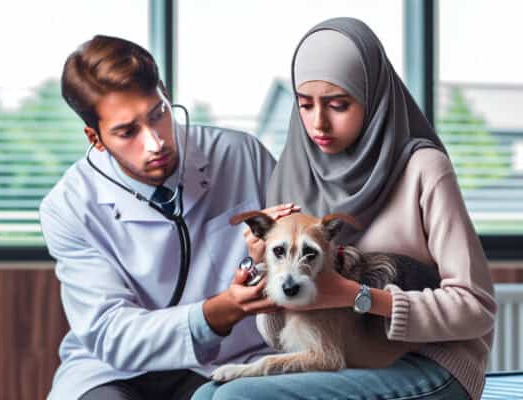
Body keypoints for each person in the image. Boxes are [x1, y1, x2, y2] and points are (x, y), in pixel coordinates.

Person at [193, 17, 496, 400]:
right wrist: (263, 269)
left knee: (234, 399)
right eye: (304, 105)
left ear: (373, 97)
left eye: (338, 104)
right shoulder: (293, 174)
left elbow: (476, 308)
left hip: (431, 362)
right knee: (206, 395)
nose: (318, 123)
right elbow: (283, 335)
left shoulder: (423, 169)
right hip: (339, 363)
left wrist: (359, 296)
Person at [39, 35, 296, 400]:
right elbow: (112, 333)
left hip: (235, 355)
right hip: (118, 369)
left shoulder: (242, 156)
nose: (155, 142)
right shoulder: (68, 207)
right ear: (94, 138)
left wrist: (265, 259)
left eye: (158, 114)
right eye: (127, 132)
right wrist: (213, 314)